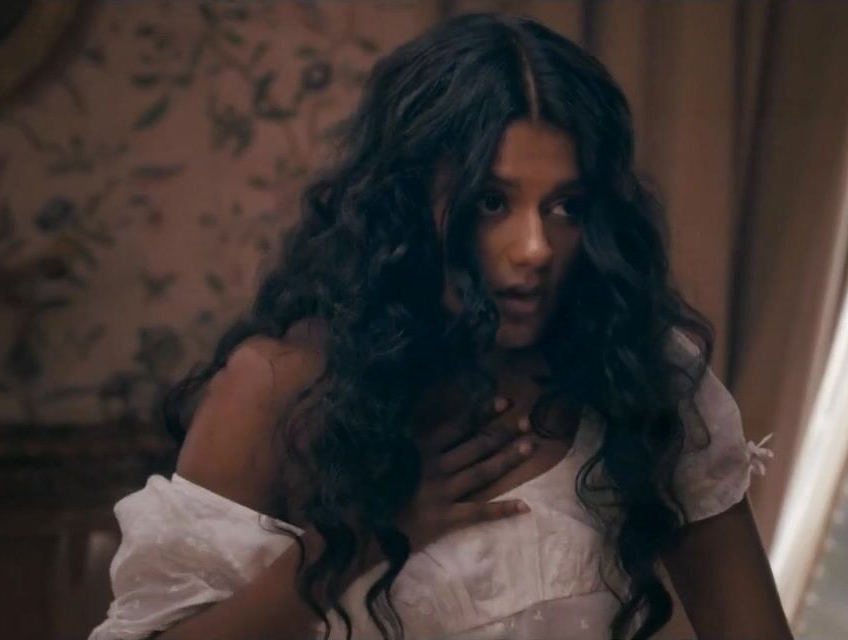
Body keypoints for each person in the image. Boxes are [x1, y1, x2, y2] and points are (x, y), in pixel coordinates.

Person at [90, 12, 790, 640]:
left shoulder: (637, 373)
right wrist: (351, 543)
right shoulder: (278, 388)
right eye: (491, 202)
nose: (535, 248)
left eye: (566, 207)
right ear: (405, 202)